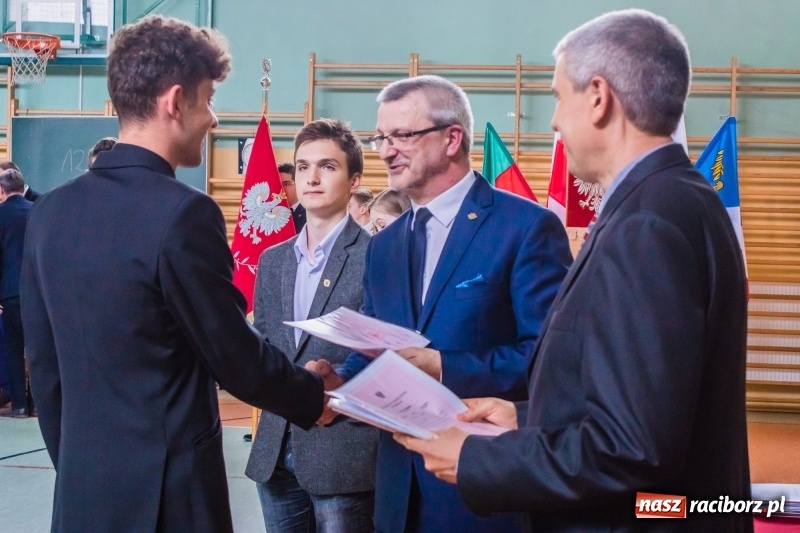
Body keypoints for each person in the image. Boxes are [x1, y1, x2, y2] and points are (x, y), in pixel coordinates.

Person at [395, 9, 751, 533]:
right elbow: (646, 400)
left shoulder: (646, 224)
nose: (556, 121)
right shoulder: (678, 198)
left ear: (599, 97)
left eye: (560, 97)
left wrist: (478, 460)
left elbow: (631, 448)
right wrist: (528, 420)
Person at [20, 15, 336, 533]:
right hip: (170, 495)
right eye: (208, 99)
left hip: (83, 489)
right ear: (174, 102)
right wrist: (311, 393)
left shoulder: (50, 212)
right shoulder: (183, 213)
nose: (213, 118)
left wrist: (80, 466)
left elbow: (46, 363)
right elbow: (233, 355)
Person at [312, 75, 573, 532]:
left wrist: (443, 365)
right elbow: (374, 345)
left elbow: (551, 360)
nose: (387, 150)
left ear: (452, 138)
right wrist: (339, 386)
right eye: (381, 138)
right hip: (398, 488)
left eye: (403, 136)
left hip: (483, 484)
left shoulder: (525, 228)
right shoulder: (385, 245)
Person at [245, 118, 377, 532]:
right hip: (274, 452)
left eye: (328, 167)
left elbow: (387, 351)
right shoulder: (272, 260)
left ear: (354, 179)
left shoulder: (376, 255)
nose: (312, 178)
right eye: (303, 167)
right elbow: (264, 343)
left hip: (341, 451)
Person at [0, 168, 33, 418]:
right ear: (22, 187)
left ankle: (20, 405)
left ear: (2, 190)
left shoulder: (0, 214)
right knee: (37, 349)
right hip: (37, 292)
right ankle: (39, 403)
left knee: (13, 347)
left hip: (10, 292)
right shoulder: (37, 211)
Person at [279, 162, 306, 232]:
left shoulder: (310, 214)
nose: (282, 189)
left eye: (286, 184)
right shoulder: (269, 213)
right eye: (279, 184)